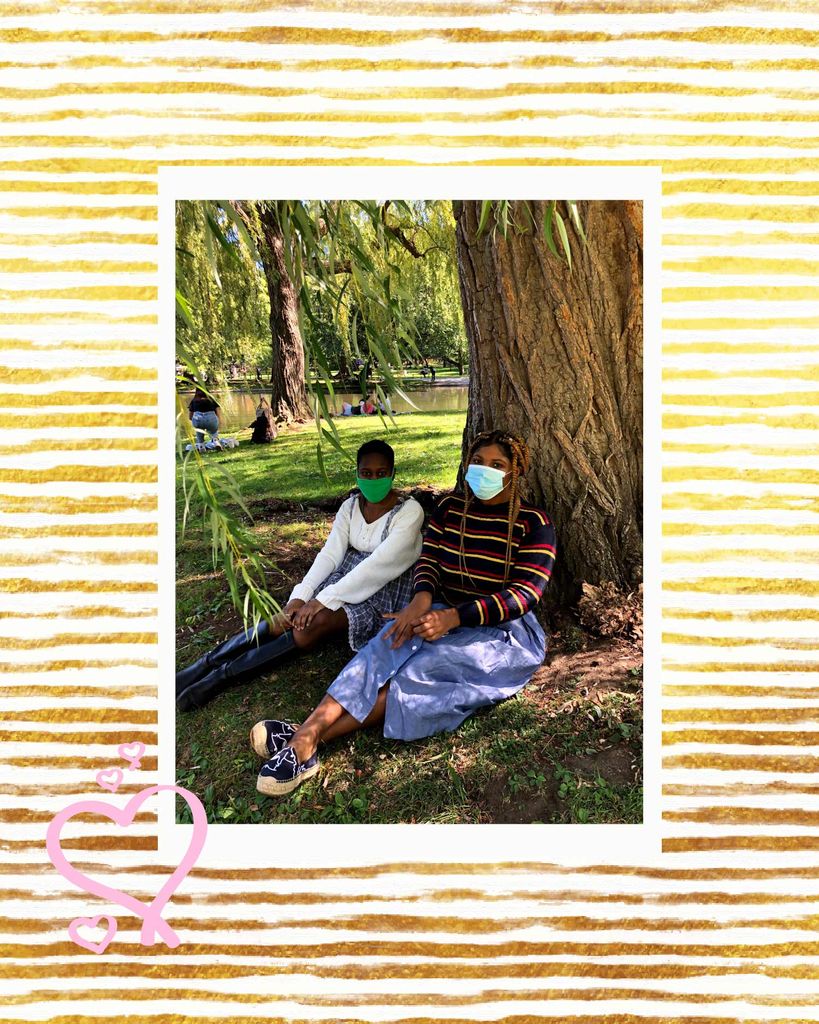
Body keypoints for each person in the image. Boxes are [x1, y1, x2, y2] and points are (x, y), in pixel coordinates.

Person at [252, 430, 557, 797]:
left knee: (418, 674)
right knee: (382, 648)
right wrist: (421, 601)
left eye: (497, 465)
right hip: (439, 611)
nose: (484, 471)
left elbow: (525, 594)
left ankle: (305, 739)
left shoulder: (534, 523)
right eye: (477, 462)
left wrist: (456, 618)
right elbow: (428, 560)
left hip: (502, 632)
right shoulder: (449, 510)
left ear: (515, 472)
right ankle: (307, 737)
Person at [176, 439, 425, 712]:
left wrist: (322, 601)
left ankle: (222, 677)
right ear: (357, 473)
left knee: (310, 626)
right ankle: (206, 663)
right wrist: (301, 596)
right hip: (346, 577)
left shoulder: (409, 511)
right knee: (287, 617)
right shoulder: (351, 506)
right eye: (366, 473)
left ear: (393, 473)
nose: (374, 479)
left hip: (384, 590)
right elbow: (330, 555)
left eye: (381, 473)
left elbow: (379, 566)